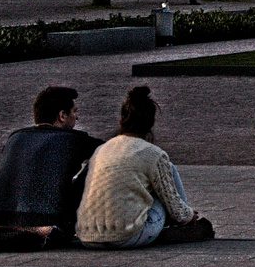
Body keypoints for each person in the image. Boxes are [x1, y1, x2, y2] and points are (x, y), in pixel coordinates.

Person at [76, 87, 212, 250]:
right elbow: (172, 204)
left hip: (87, 236)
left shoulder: (101, 150)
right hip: (126, 235)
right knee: (168, 171)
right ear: (151, 123)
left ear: (121, 120)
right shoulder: (152, 153)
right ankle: (185, 227)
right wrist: (187, 215)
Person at [0, 87, 103, 244]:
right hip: (44, 220)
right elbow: (113, 151)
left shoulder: (15, 137)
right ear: (62, 115)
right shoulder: (72, 139)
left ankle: (22, 230)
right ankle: (49, 229)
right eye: (74, 111)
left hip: (0, 217)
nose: (77, 117)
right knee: (100, 161)